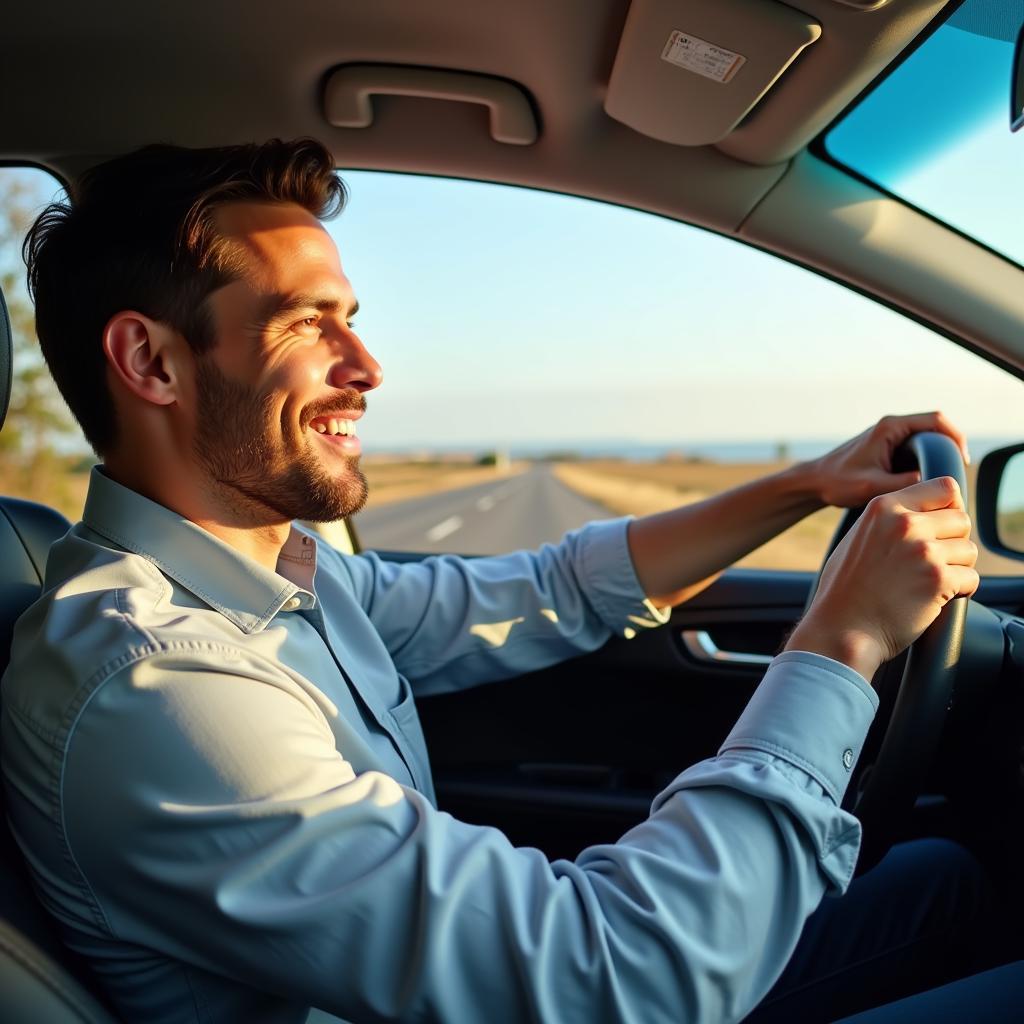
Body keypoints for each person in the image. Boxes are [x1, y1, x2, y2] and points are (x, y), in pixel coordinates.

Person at [0, 139, 989, 1024]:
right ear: (150, 362)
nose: (368, 366)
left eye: (353, 320)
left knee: (950, 882)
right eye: (309, 324)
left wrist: (808, 485)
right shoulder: (156, 685)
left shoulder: (285, 579)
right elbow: (614, 978)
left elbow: (552, 587)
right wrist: (841, 642)